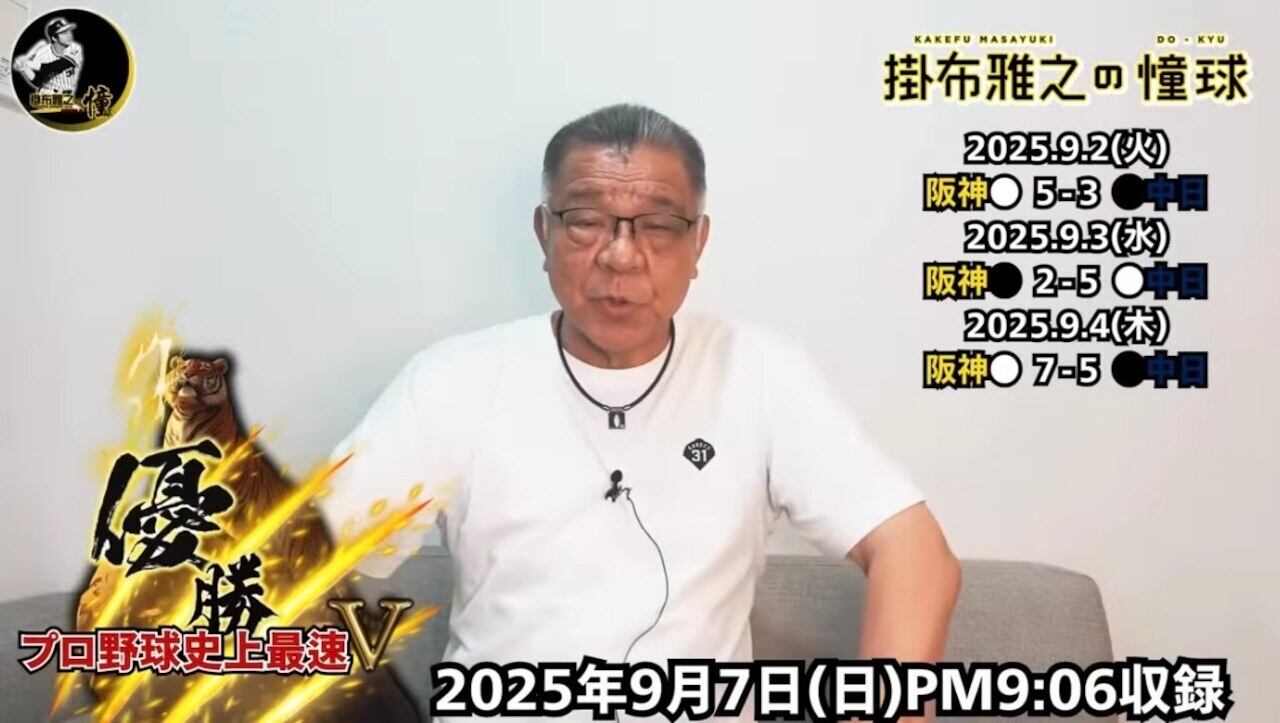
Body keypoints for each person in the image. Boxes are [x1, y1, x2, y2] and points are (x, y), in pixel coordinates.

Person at [318, 103, 961, 721]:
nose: (620, 256)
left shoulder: (759, 372)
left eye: (657, 225)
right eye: (586, 220)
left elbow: (915, 554)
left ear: (698, 243)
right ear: (544, 233)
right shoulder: (454, 381)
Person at [13, 17, 84, 95]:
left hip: (66, 96)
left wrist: (26, 62)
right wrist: (24, 68)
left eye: (68, 31)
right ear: (54, 38)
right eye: (64, 32)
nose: (69, 35)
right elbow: (39, 81)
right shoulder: (43, 53)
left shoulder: (75, 48)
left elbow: (51, 67)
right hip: (47, 96)